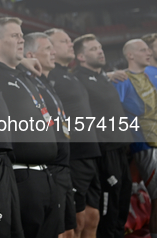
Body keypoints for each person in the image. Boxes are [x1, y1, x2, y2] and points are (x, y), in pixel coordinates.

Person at [0, 18, 59, 238]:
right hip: (20, 175)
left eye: (21, 35)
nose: (21, 40)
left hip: (47, 174)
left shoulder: (23, 76)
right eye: (14, 36)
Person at [71, 34, 132, 238]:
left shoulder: (103, 76)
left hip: (122, 150)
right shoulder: (77, 79)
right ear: (80, 56)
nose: (100, 50)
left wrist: (109, 74)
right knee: (109, 207)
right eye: (93, 48)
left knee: (123, 203)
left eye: (100, 47)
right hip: (105, 152)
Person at [46, 29, 101, 238]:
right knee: (75, 222)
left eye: (70, 41)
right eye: (64, 41)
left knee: (93, 216)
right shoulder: (49, 76)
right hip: (74, 154)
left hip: (91, 153)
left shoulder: (71, 76)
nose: (70, 44)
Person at [24, 32, 74, 238]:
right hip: (50, 167)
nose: (53, 52)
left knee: (70, 230)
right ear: (30, 55)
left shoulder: (46, 82)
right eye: (47, 49)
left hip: (64, 165)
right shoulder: (28, 83)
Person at [114, 39, 157, 237]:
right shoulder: (122, 80)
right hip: (145, 145)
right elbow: (114, 111)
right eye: (142, 50)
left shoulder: (150, 76)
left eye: (148, 49)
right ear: (130, 55)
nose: (147, 52)